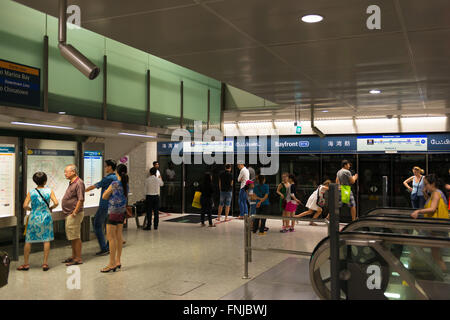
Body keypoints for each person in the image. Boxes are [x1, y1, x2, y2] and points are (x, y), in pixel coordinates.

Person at [17, 172, 59, 271]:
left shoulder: (31, 192)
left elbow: (24, 205)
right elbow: (56, 202)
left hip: (34, 217)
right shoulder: (49, 191)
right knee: (46, 239)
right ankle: (45, 263)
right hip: (46, 216)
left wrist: (31, 209)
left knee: (28, 240)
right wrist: (51, 207)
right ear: (45, 181)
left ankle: (26, 264)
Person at [411, 174, 449, 271]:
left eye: (426, 184)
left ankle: (426, 269)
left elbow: (432, 209)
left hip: (435, 229)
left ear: (433, 184)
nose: (425, 186)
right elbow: (431, 203)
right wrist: (424, 193)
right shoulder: (435, 193)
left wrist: (418, 211)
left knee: (416, 246)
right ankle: (443, 274)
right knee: (436, 255)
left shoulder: (436, 193)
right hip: (436, 229)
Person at [85, 159, 118, 256]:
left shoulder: (108, 178)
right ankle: (109, 246)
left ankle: (104, 248)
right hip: (112, 206)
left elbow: (95, 186)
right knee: (109, 226)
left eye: (106, 166)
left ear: (110, 167)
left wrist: (83, 190)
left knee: (97, 224)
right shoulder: (116, 177)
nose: (105, 168)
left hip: (104, 205)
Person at [100, 164, 129, 272]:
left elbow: (104, 196)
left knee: (111, 238)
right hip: (121, 213)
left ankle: (111, 264)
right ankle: (118, 261)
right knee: (119, 237)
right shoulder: (126, 184)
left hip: (112, 212)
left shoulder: (114, 183)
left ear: (117, 172)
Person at [61, 164, 85, 266]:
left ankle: (78, 258)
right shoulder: (72, 182)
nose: (65, 173)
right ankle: (73, 256)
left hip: (74, 214)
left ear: (73, 172)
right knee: (72, 236)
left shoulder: (79, 183)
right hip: (70, 213)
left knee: (75, 236)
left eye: (67, 171)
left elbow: (81, 199)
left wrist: (74, 212)